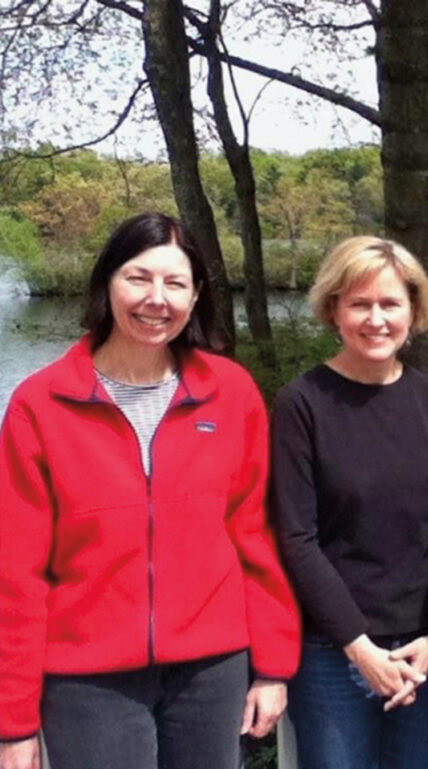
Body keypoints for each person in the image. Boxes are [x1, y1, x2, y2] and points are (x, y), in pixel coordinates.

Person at [0, 212, 301, 769]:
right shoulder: (38, 407)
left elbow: (256, 538)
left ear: (196, 295)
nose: (155, 299)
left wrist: (274, 666)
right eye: (138, 278)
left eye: (175, 283)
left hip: (212, 671)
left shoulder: (229, 394)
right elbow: (16, 575)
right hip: (87, 679)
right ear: (107, 282)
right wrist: (12, 721)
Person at [271, 236, 428, 769]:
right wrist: (359, 649)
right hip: (332, 655)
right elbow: (296, 537)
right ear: (334, 309)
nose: (376, 319)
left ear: (414, 309)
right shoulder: (302, 405)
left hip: (421, 651)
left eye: (390, 303)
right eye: (360, 303)